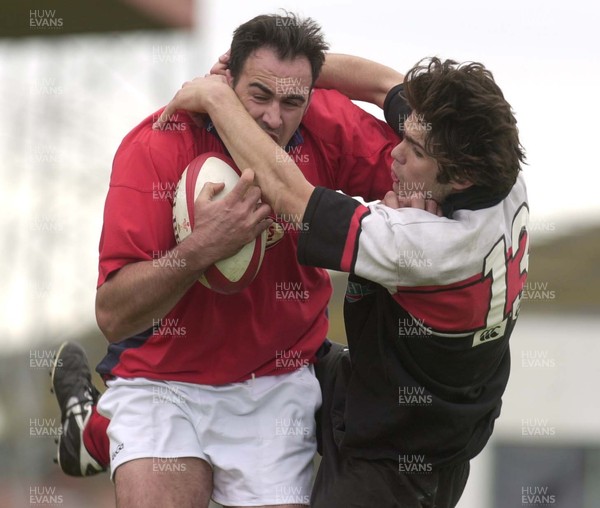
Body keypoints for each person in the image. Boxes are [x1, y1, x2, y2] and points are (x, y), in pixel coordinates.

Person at [50, 12, 401, 508]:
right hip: (162, 382)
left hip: (273, 384)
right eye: (258, 94)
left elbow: (429, 163)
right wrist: (202, 248)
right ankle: (99, 429)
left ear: (311, 96)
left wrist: (412, 200)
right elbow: (113, 314)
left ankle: (92, 433)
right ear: (224, 79)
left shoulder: (326, 124)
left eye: (292, 100)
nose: (273, 118)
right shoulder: (157, 144)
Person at [154, 55, 529, 507]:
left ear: (462, 177)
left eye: (416, 152)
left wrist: (219, 100)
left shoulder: (428, 247)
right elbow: (381, 84)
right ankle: (96, 430)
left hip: (399, 461)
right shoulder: (493, 169)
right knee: (241, 361)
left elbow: (289, 192)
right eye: (405, 134)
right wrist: (281, 67)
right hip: (369, 383)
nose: (395, 151)